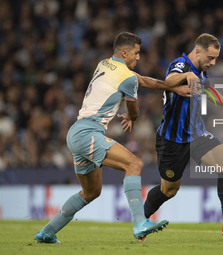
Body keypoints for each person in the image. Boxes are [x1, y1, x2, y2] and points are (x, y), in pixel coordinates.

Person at [34, 32, 190, 243]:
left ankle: (47, 232)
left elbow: (143, 81)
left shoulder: (104, 64)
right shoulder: (126, 77)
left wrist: (172, 87)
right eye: (136, 53)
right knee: (134, 164)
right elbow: (134, 108)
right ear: (124, 52)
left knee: (91, 192)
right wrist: (132, 117)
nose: (138, 58)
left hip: (76, 133)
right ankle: (139, 223)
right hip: (88, 132)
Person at [143, 33, 223, 239]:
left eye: (216, 59)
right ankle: (142, 218)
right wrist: (188, 76)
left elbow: (208, 91)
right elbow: (169, 81)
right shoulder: (180, 65)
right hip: (172, 140)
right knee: (168, 190)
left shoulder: (201, 72)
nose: (213, 63)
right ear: (197, 51)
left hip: (196, 134)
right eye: (210, 58)